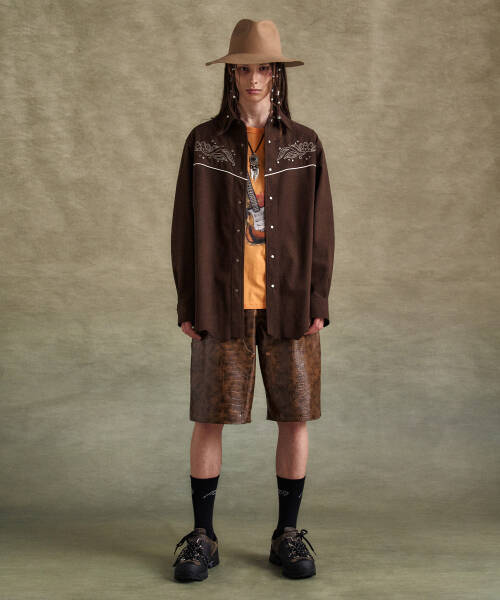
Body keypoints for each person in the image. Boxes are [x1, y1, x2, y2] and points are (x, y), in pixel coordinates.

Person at [170, 18, 334, 582]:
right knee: (208, 418)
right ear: (232, 75)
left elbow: (321, 229)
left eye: (264, 67)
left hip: (290, 306)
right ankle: (203, 537)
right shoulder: (204, 143)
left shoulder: (305, 144)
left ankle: (287, 534)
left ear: (277, 74)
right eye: (244, 68)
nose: (255, 78)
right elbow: (184, 227)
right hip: (220, 304)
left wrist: (317, 299)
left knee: (295, 416)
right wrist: (187, 302)